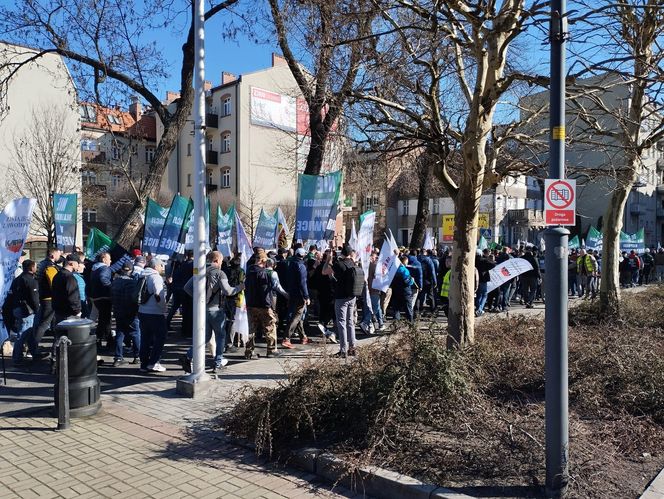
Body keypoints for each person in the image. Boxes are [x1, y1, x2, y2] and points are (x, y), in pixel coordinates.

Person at [181, 251, 244, 372]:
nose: (221, 264)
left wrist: (199, 299)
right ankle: (218, 362)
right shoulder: (220, 273)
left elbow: (187, 287)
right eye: (220, 261)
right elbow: (228, 291)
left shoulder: (199, 270)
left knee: (204, 337)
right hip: (216, 310)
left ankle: (188, 356)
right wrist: (240, 287)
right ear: (216, 260)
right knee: (220, 336)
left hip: (202, 310)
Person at [322, 244, 361, 357]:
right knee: (350, 322)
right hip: (352, 296)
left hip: (341, 297)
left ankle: (343, 350)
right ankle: (352, 348)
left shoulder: (339, 264)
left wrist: (329, 258)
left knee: (341, 323)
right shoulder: (353, 263)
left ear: (342, 254)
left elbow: (324, 271)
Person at [245, 250, 281, 359]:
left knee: (251, 329)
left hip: (250, 304)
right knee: (270, 327)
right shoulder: (264, 273)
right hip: (263, 305)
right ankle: (271, 350)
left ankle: (249, 352)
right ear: (262, 260)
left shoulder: (249, 271)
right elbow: (265, 290)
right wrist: (269, 305)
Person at [10, 260, 45, 363]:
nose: (36, 268)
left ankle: (34, 353)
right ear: (31, 268)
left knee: (29, 333)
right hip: (27, 310)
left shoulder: (18, 279)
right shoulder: (31, 280)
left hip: (17, 308)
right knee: (23, 333)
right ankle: (17, 358)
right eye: (35, 266)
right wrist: (37, 309)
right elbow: (34, 298)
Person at [138, 257, 168, 373]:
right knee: (160, 337)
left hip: (142, 311)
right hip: (155, 313)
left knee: (145, 338)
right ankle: (154, 362)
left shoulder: (142, 275)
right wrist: (163, 308)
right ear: (156, 266)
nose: (162, 268)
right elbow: (158, 295)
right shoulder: (156, 277)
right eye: (161, 265)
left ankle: (144, 364)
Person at [111, 262, 141, 366]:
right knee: (135, 333)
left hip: (118, 311)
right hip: (131, 311)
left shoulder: (115, 281)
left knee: (120, 333)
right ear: (131, 270)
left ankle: (118, 358)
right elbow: (134, 299)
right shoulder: (133, 283)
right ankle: (137, 356)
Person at [32, 247, 62, 347]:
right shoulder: (50, 266)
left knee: (50, 323)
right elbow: (54, 283)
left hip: (44, 296)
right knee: (44, 324)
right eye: (58, 254)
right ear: (52, 255)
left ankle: (54, 347)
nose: (60, 256)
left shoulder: (41, 264)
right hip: (49, 298)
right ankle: (33, 348)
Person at [283, 248, 311, 348]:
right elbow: (302, 283)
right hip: (299, 295)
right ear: (303, 255)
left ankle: (303, 337)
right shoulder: (301, 266)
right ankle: (287, 338)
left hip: (292, 293)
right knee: (297, 316)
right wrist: (306, 296)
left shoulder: (290, 264)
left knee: (297, 315)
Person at [89, 252, 113, 349]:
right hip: (104, 297)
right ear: (104, 260)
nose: (110, 261)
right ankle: (107, 341)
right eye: (109, 258)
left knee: (103, 320)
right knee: (106, 320)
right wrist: (111, 287)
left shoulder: (94, 268)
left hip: (96, 296)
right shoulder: (105, 268)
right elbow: (103, 279)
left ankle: (102, 339)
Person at [166, 251, 193, 336]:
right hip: (187, 290)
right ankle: (187, 330)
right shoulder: (193, 265)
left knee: (176, 307)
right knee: (188, 310)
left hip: (178, 288)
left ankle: (167, 323)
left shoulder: (182, 265)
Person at [51, 253, 83, 325]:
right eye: (78, 263)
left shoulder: (57, 275)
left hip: (59, 312)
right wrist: (77, 310)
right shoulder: (69, 277)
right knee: (70, 335)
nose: (78, 266)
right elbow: (72, 296)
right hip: (69, 314)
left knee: (61, 335)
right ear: (71, 263)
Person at [391, 255, 416, 322]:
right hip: (405, 292)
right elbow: (408, 282)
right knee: (408, 309)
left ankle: (396, 325)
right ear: (404, 262)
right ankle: (411, 324)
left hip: (396, 291)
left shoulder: (393, 270)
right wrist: (412, 280)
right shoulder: (405, 270)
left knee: (396, 309)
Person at [475, 249, 495, 316]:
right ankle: (479, 309)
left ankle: (478, 308)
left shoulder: (472, 260)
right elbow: (493, 264)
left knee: (478, 295)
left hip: (474, 279)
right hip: (483, 279)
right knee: (484, 294)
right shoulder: (484, 260)